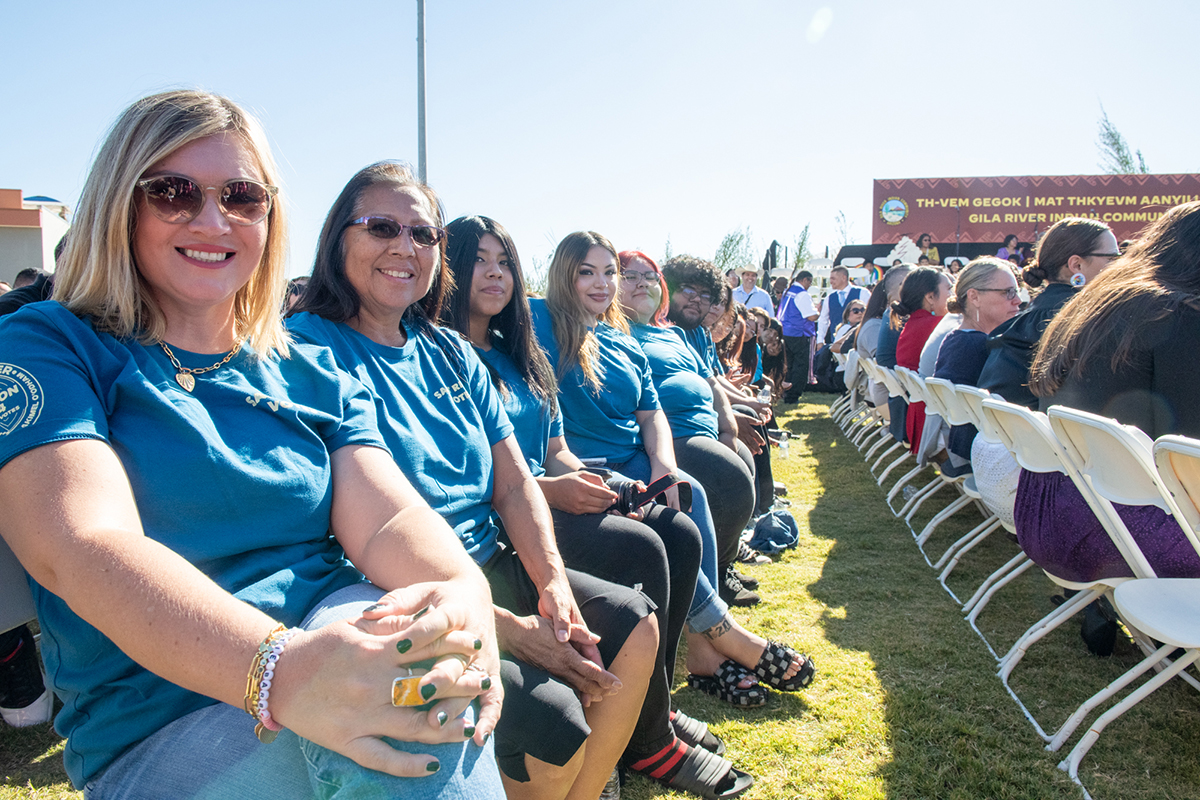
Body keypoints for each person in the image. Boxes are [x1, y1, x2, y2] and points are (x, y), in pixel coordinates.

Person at [0, 90, 505, 798]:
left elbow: (389, 517)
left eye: (242, 196)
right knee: (398, 712)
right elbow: (80, 544)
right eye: (174, 193)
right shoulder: (53, 344)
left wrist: (463, 586)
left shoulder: (306, 365)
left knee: (411, 688)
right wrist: (284, 670)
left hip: (336, 635)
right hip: (165, 716)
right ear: (121, 203)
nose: (213, 220)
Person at [288, 164, 658, 800]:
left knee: (633, 626)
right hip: (400, 589)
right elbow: (348, 535)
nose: (405, 247)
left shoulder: (450, 352)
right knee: (555, 724)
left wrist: (553, 586)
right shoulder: (304, 353)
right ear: (336, 241)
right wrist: (506, 626)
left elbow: (515, 485)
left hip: (490, 556)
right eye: (382, 227)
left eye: (423, 234)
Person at [439, 218, 750, 798]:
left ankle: (648, 707)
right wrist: (554, 488)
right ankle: (649, 737)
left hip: (539, 498)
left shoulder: (515, 353)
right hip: (506, 522)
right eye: (477, 260)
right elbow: (465, 475)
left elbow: (554, 447)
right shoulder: (445, 358)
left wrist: (584, 477)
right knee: (639, 544)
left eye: (503, 261)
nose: (494, 273)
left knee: (675, 528)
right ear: (447, 267)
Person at [532, 232, 814, 713]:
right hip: (584, 464)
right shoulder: (542, 321)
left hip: (635, 457)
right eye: (586, 272)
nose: (601, 283)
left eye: (608, 273)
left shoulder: (623, 340)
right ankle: (724, 633)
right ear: (564, 275)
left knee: (691, 493)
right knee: (669, 509)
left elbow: (651, 413)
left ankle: (703, 649)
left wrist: (665, 465)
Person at [1015, 202, 1200, 588]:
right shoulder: (1174, 312)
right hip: (1114, 527)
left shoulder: (1093, 302)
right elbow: (1189, 451)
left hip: (1048, 509)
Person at [618, 252, 759, 607]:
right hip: (672, 436)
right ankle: (713, 593)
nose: (642, 284)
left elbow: (710, 383)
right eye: (630, 276)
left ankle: (722, 567)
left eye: (650, 277)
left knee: (743, 462)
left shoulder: (675, 335)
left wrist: (728, 426)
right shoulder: (617, 333)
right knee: (731, 480)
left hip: (705, 429)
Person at [978, 217, 1119, 409]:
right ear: (1076, 265)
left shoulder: (1027, 319)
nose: (1120, 267)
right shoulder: (1082, 323)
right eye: (1112, 259)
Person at [930, 258, 1022, 474]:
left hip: (968, 452)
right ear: (974, 297)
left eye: (1016, 292)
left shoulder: (957, 339)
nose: (1017, 300)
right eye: (1007, 292)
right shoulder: (981, 347)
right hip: (991, 461)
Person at [893, 267, 950, 453]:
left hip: (920, 419)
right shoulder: (938, 327)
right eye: (949, 289)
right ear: (930, 297)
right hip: (935, 422)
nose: (954, 294)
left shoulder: (913, 324)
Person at [777, 270, 817, 403]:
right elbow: (810, 316)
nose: (809, 285)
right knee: (801, 365)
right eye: (809, 282)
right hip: (799, 333)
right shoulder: (802, 294)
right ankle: (794, 394)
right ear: (805, 280)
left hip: (785, 331)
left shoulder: (788, 291)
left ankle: (785, 391)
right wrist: (819, 311)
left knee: (788, 364)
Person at [816, 266, 868, 344]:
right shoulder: (829, 298)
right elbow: (823, 320)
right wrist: (820, 340)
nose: (831, 282)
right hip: (836, 343)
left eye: (833, 278)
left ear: (843, 278)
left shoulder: (863, 293)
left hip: (858, 342)